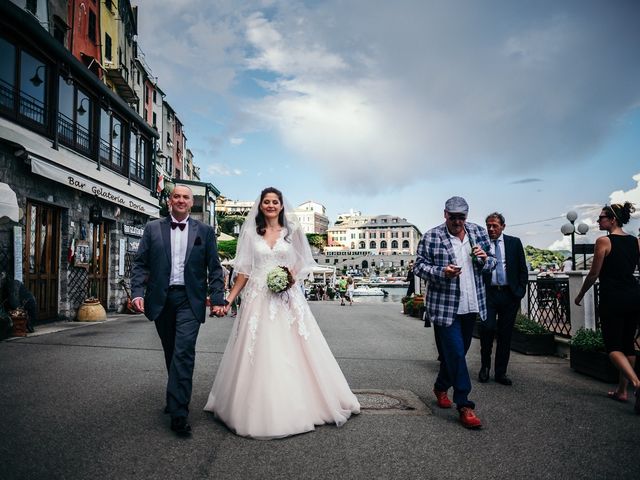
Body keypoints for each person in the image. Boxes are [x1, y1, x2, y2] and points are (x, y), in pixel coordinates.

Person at [204, 187, 360, 439]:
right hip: (257, 297)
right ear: (260, 206)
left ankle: (303, 402)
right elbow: (243, 271)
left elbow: (302, 262)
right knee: (259, 348)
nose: (271, 205)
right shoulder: (251, 233)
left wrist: (289, 278)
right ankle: (253, 406)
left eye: (275, 202)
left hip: (287, 296)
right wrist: (230, 299)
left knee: (295, 347)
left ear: (281, 206)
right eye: (266, 202)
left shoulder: (292, 232)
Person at [131, 185, 226, 436]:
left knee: (183, 352)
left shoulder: (204, 231)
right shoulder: (153, 228)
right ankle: (175, 397)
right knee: (171, 351)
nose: (181, 200)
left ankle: (179, 413)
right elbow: (140, 263)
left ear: (191, 202)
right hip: (160, 299)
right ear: (169, 201)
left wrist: (218, 299)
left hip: (189, 300)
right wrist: (138, 293)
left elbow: (215, 269)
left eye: (186, 197)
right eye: (177, 196)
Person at [414, 196, 495, 429]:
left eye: (461, 217)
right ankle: (465, 405)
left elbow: (493, 262)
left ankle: (440, 386)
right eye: (453, 217)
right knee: (458, 354)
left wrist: (483, 259)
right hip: (445, 307)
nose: (457, 222)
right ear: (445, 215)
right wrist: (442, 272)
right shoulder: (431, 236)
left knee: (457, 354)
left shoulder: (478, 233)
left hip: (471, 305)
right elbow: (419, 266)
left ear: (466, 217)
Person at [574, 202, 640, 414]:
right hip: (633, 295)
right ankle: (622, 390)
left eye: (601, 217)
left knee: (613, 347)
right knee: (628, 344)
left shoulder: (603, 241)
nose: (598, 220)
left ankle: (637, 384)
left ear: (613, 220)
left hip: (613, 297)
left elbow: (593, 274)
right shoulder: (635, 242)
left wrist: (581, 293)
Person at [478, 213, 528, 386]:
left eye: (495, 226)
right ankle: (485, 367)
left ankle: (501, 372)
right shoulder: (481, 245)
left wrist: (519, 292)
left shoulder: (514, 243)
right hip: (489, 294)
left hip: (509, 294)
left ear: (503, 227)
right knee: (487, 330)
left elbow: (523, 269)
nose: (491, 229)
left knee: (505, 335)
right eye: (488, 226)